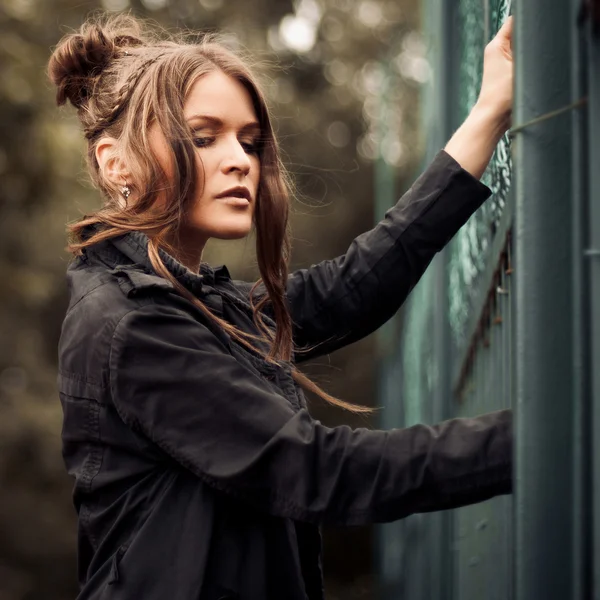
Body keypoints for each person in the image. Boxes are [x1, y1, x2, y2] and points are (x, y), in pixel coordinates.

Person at [49, 11, 514, 600]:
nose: (241, 159)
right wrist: (539, 438)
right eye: (203, 136)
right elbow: (319, 472)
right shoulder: (131, 323)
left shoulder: (194, 305)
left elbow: (353, 288)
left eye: (249, 140)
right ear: (117, 163)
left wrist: (488, 114)